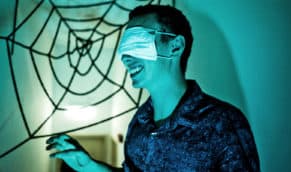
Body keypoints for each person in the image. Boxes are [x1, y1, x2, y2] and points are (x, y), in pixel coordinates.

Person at [46, 5, 260, 171]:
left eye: (137, 43)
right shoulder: (138, 125)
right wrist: (90, 166)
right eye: (123, 49)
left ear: (175, 46)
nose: (126, 57)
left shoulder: (223, 122)